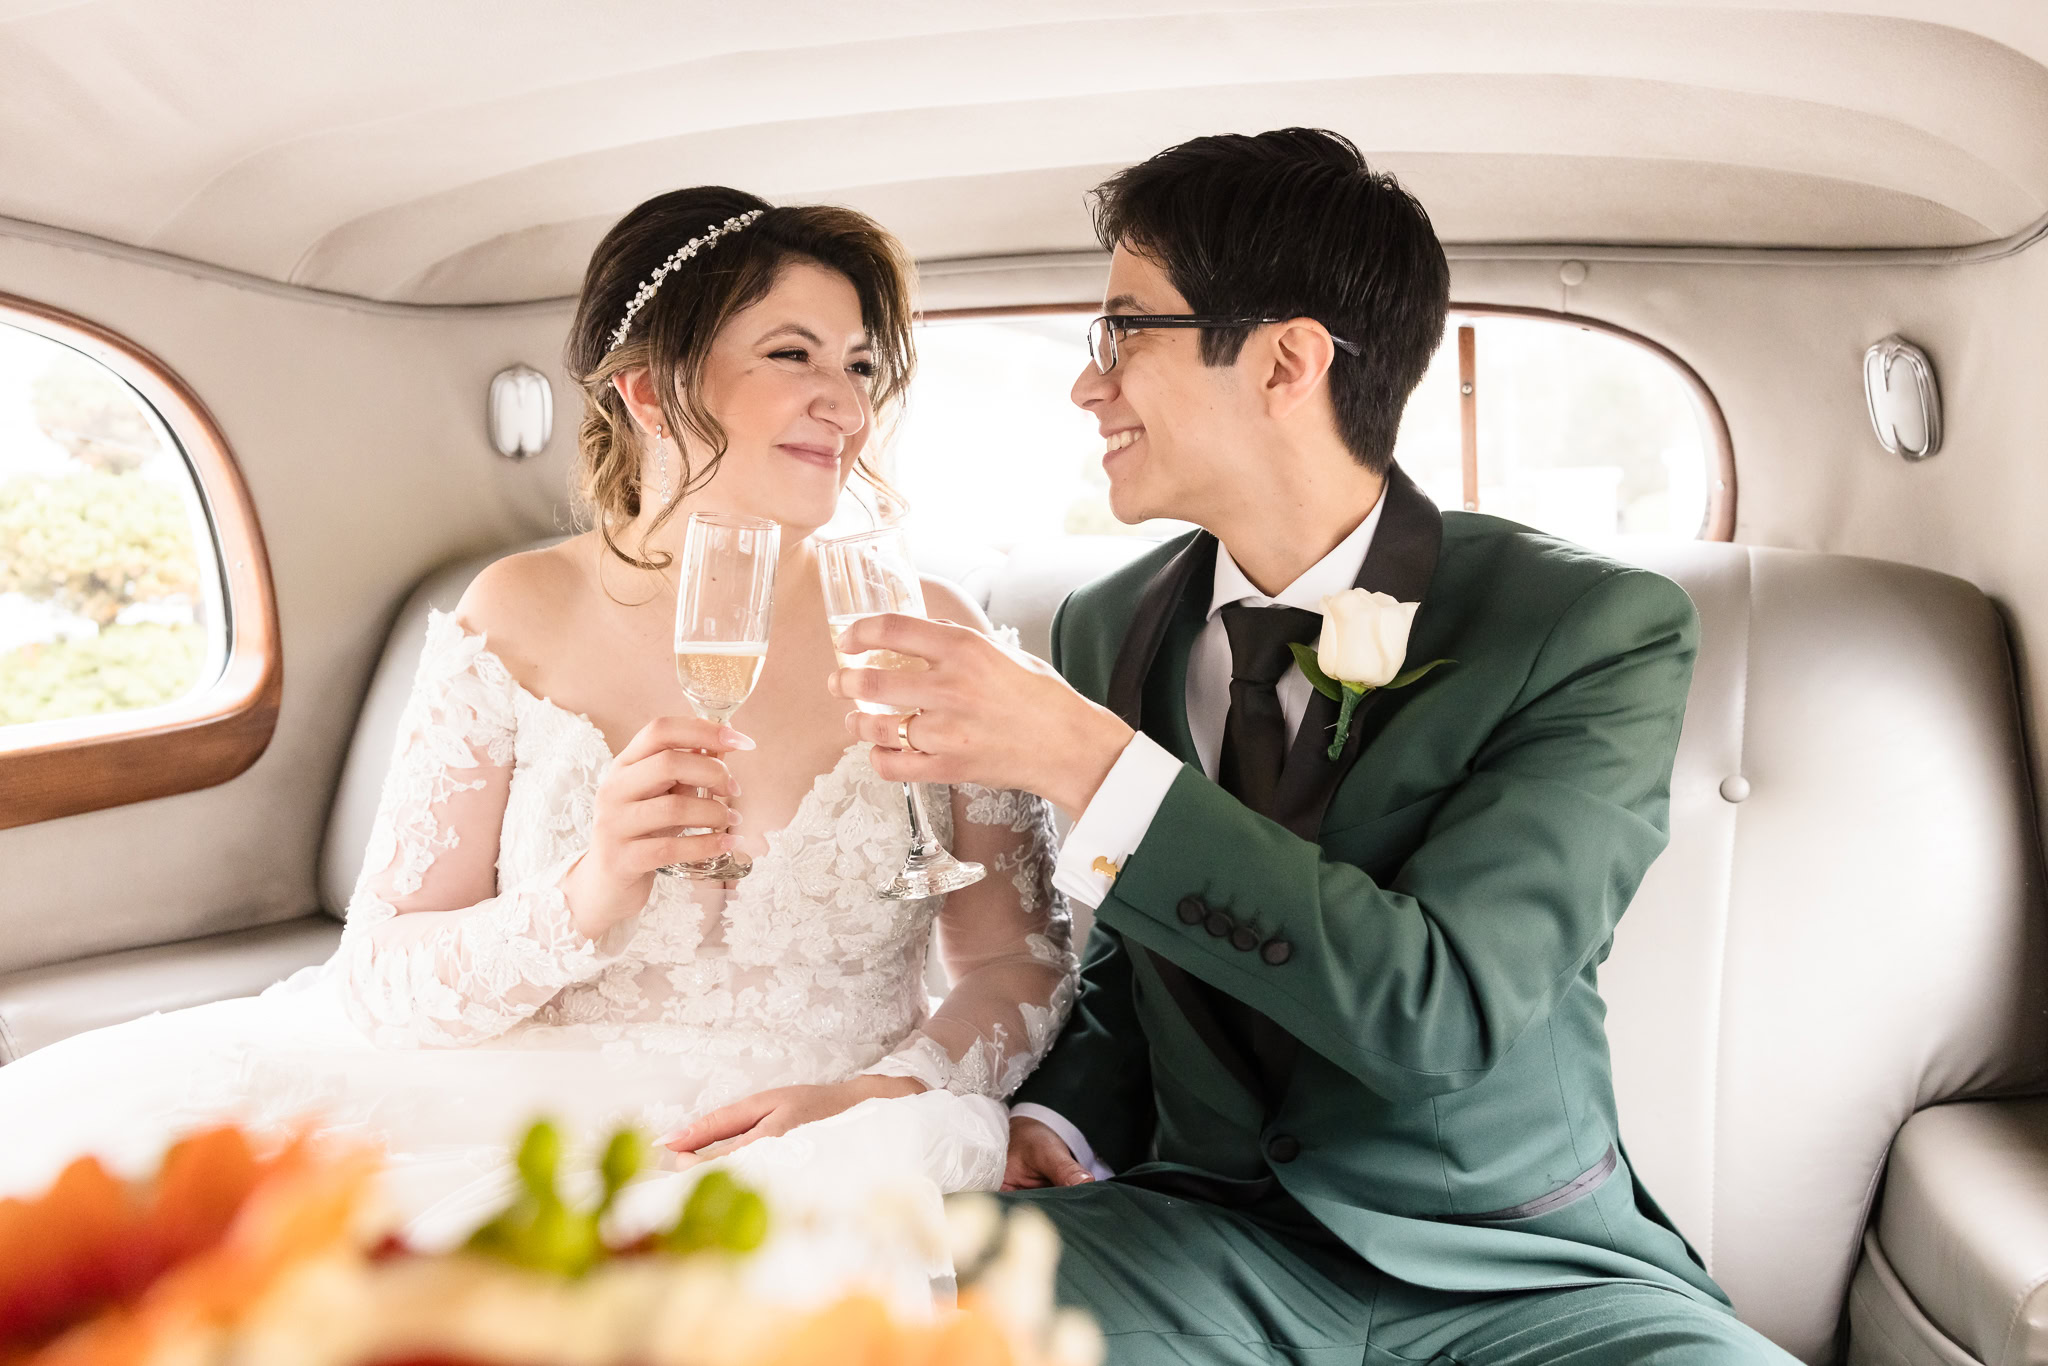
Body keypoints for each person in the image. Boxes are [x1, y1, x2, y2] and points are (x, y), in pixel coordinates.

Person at [829, 131, 1796, 1362]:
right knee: (823, 1309)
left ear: (1287, 359)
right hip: (1189, 1245)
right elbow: (1133, 962)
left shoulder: (1586, 629)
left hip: (1521, 1272)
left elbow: (1438, 1012)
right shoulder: (1105, 625)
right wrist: (1062, 1124)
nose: (1089, 385)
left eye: (1124, 330)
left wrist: (1092, 765)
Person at [0, 189, 1074, 1231]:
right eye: (792, 355)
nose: (844, 403)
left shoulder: (926, 629)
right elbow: (384, 981)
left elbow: (1012, 961)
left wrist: (888, 1091)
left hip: (820, 1130)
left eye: (859, 365)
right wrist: (584, 894)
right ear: (649, 392)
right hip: (512, 1112)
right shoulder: (516, 611)